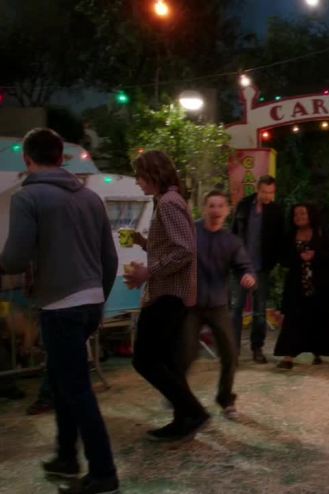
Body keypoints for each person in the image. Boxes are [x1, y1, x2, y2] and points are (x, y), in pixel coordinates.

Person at [0, 129, 119, 494]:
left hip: (59, 305)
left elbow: (14, 259)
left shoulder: (28, 197)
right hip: (90, 301)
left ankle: (104, 474)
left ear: (27, 159)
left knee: (77, 390)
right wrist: (98, 300)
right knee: (61, 380)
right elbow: (109, 258)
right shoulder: (91, 198)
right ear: (61, 158)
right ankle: (66, 456)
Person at [125, 150, 207, 442]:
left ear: (153, 174)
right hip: (171, 293)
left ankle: (193, 411)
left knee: (145, 359)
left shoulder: (169, 203)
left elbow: (185, 250)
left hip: (168, 294)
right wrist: (143, 242)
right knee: (168, 361)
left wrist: (149, 271)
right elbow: (174, 246)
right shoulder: (168, 200)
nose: (137, 182)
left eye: (140, 176)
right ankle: (183, 419)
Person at [181, 191, 256, 420]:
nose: (216, 210)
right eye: (211, 206)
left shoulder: (231, 241)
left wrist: (248, 276)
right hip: (190, 304)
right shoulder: (190, 233)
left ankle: (226, 400)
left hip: (217, 304)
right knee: (186, 353)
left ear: (227, 211)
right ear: (204, 208)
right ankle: (178, 395)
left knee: (230, 353)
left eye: (220, 206)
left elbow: (244, 266)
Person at [273, 204, 329, 369]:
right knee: (293, 319)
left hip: (320, 285)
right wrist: (298, 257)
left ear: (310, 215)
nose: (299, 217)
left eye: (302, 213)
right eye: (296, 214)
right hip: (296, 285)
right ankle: (288, 356)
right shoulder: (290, 236)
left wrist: (315, 256)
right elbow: (283, 259)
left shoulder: (322, 233)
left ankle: (318, 352)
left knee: (318, 317)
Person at [231, 176, 285, 363]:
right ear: (257, 190)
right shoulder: (244, 206)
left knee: (260, 311)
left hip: (262, 267)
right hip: (240, 266)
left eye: (271, 192)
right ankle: (233, 350)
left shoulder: (276, 211)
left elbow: (279, 239)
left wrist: (274, 263)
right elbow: (234, 232)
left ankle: (257, 348)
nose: (268, 196)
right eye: (264, 192)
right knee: (236, 309)